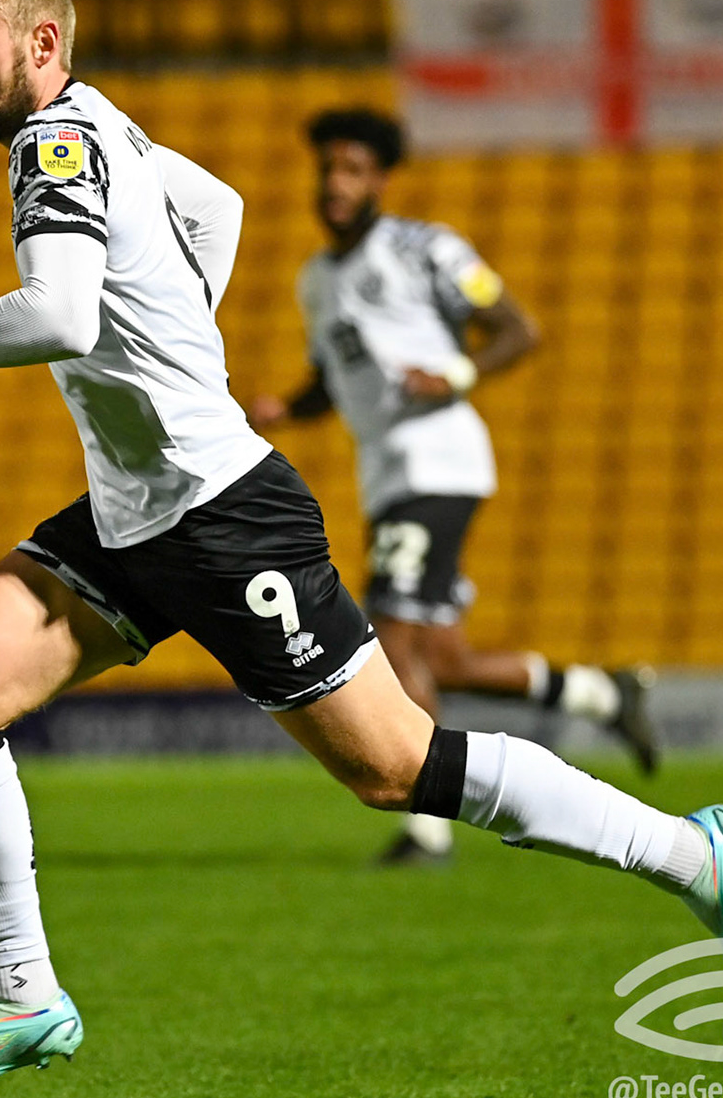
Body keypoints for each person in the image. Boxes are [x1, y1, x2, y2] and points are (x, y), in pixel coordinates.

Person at [0, 0, 723, 1098]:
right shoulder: (108, 129)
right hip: (132, 515)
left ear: (42, 44)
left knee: (397, 765)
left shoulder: (53, 143)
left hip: (225, 516)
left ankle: (692, 853)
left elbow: (61, 315)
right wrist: (177, 328)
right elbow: (219, 207)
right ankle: (23, 992)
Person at [248, 107, 661, 866]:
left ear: (380, 180)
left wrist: (456, 374)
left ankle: (427, 827)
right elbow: (334, 381)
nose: (336, 184)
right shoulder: (316, 280)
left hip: (437, 462)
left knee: (391, 635)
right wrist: (288, 409)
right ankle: (602, 694)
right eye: (329, 169)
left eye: (353, 170)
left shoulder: (425, 248)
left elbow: (518, 329)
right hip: (388, 475)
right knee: (440, 657)